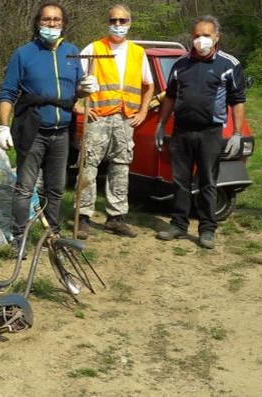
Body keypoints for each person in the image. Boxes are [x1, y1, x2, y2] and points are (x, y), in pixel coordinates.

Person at [0, 2, 89, 252]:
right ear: (38, 23)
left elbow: (77, 88)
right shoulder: (23, 54)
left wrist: (85, 87)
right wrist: (3, 127)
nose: (52, 24)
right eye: (47, 19)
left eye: (56, 20)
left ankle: (52, 234)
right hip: (32, 129)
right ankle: (20, 237)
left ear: (63, 23)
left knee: (56, 188)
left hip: (62, 131)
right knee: (25, 188)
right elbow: (7, 92)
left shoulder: (72, 52)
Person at [154, 15, 247, 249]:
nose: (201, 40)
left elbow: (238, 100)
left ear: (217, 36)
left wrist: (236, 133)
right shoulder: (181, 64)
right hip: (182, 131)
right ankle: (178, 224)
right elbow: (170, 97)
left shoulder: (229, 64)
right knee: (180, 181)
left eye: (206, 35)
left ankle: (207, 229)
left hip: (210, 132)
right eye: (196, 35)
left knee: (207, 182)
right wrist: (160, 125)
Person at [72, 4, 155, 240]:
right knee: (87, 166)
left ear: (130, 22)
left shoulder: (138, 53)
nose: (118, 25)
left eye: (122, 20)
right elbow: (73, 83)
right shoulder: (93, 48)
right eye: (114, 21)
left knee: (121, 167)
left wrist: (143, 111)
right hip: (98, 117)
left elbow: (149, 86)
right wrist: (77, 106)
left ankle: (116, 219)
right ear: (107, 22)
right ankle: (83, 217)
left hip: (125, 119)